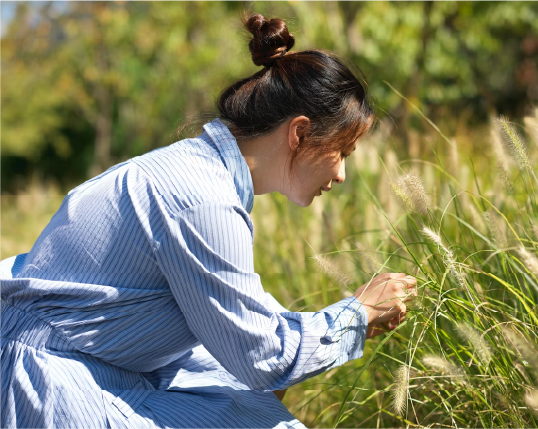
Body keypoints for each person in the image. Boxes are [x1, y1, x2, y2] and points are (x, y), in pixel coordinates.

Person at [0, 13, 417, 429]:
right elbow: (264, 356)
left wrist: (346, 324)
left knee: (250, 398)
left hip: (91, 361)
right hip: (52, 383)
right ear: (299, 133)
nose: (341, 174)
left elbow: (253, 333)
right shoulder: (203, 201)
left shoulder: (201, 173)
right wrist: (356, 316)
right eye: (342, 152)